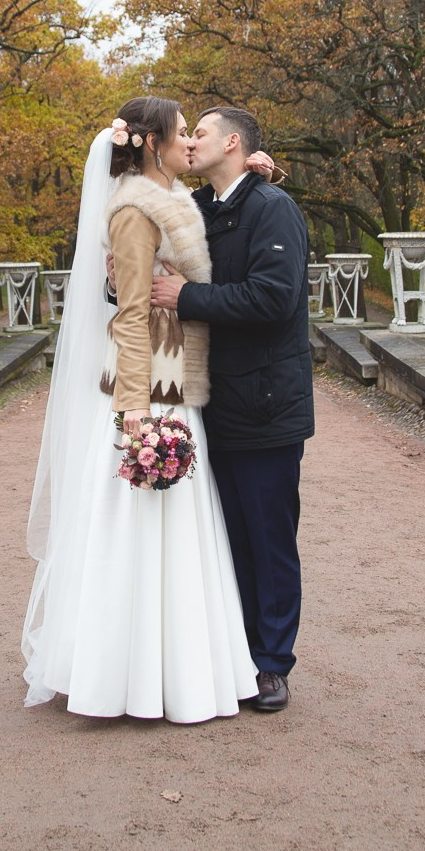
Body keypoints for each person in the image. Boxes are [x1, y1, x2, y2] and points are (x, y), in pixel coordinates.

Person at [20, 97, 257, 722]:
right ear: (152, 143)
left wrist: (258, 170)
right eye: (181, 133)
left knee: (176, 535)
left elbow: (219, 211)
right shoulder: (132, 210)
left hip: (177, 379)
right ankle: (121, 677)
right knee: (134, 532)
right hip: (147, 388)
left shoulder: (176, 198)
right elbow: (127, 313)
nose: (188, 142)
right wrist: (133, 409)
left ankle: (175, 671)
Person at [149, 105, 312, 713]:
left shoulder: (272, 209)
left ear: (234, 143)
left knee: (269, 540)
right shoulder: (203, 210)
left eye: (200, 134)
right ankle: (236, 654)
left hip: (267, 403)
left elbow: (274, 298)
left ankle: (272, 664)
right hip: (213, 403)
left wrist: (188, 297)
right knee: (227, 540)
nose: (190, 142)